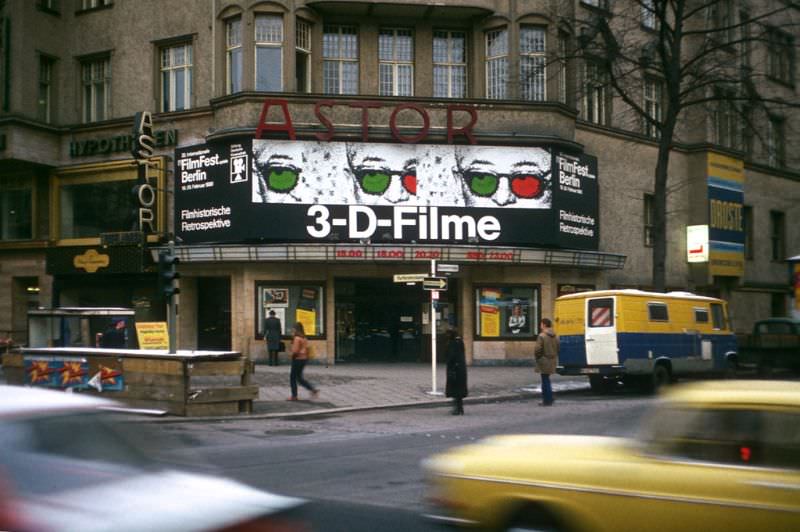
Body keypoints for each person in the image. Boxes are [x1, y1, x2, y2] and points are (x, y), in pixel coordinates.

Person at [287, 322, 319, 401]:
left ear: (296, 329)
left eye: (293, 329)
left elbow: (295, 350)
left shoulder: (297, 338)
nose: (292, 330)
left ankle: (294, 396)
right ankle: (312, 389)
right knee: (299, 378)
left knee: (293, 378)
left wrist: (291, 354)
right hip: (304, 359)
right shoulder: (304, 337)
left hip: (297, 359)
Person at [534, 318, 559, 406]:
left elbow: (537, 349)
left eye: (541, 324)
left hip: (544, 360)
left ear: (544, 325)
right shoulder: (555, 336)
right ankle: (549, 398)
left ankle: (547, 400)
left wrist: (538, 357)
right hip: (552, 359)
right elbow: (558, 347)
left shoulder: (542, 336)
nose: (540, 326)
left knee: (545, 380)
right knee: (547, 379)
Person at [445, 328, 468, 415]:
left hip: (454, 369)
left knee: (455, 389)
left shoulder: (453, 343)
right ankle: (459, 408)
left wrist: (449, 363)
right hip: (460, 368)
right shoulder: (459, 341)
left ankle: (458, 409)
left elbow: (451, 356)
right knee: (459, 389)